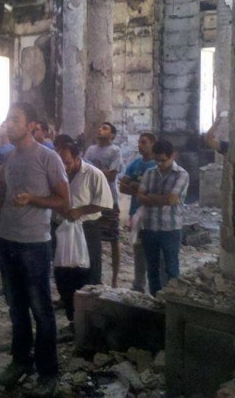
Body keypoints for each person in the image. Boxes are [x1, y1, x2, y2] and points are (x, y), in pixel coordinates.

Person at [0, 102, 69, 396]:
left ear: (31, 125)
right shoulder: (10, 158)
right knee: (16, 309)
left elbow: (63, 201)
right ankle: (21, 362)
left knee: (41, 310)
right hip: (7, 240)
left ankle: (47, 371)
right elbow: (4, 193)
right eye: (8, 120)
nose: (9, 124)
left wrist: (33, 200)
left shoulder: (48, 157)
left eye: (15, 120)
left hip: (34, 244)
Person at [53, 137, 112, 338]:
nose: (65, 167)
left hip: (87, 228)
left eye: (68, 163)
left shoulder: (93, 174)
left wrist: (81, 210)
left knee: (88, 273)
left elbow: (104, 203)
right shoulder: (56, 174)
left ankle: (91, 323)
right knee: (63, 272)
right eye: (61, 163)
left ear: (77, 158)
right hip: (63, 227)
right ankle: (72, 319)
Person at [137, 139, 189, 296]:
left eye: (163, 160)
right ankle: (155, 300)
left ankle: (171, 302)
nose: (159, 163)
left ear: (173, 155)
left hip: (170, 229)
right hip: (150, 227)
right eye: (156, 160)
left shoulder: (182, 174)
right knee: (152, 269)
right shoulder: (150, 172)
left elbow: (171, 200)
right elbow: (140, 197)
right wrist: (161, 199)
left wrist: (150, 196)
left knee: (171, 268)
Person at [83, 122, 122, 287]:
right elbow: (85, 173)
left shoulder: (115, 151)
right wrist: (100, 173)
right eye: (99, 127)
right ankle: (92, 276)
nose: (100, 129)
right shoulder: (91, 150)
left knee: (113, 239)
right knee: (92, 239)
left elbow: (112, 176)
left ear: (112, 135)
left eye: (105, 128)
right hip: (91, 199)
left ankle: (114, 279)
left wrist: (95, 173)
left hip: (108, 199)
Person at [119, 132, 157, 293]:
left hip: (154, 216)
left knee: (154, 254)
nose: (140, 145)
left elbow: (156, 192)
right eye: (139, 143)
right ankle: (138, 285)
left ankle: (157, 287)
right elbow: (122, 186)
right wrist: (141, 191)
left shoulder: (157, 165)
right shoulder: (134, 164)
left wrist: (135, 186)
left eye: (144, 142)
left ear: (153, 144)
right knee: (139, 252)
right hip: (136, 214)